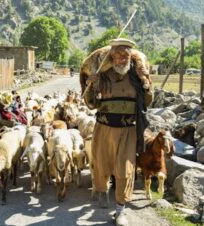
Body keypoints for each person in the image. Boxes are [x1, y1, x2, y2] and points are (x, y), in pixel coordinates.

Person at [83, 38, 153, 226]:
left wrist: (146, 81)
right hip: (104, 129)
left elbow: (147, 101)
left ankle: (120, 211)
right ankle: (102, 190)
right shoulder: (102, 76)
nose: (122, 59)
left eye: (126, 56)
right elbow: (91, 104)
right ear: (111, 57)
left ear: (131, 57)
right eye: (118, 56)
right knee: (101, 165)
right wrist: (91, 84)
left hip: (128, 131)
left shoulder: (136, 76)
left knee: (125, 170)